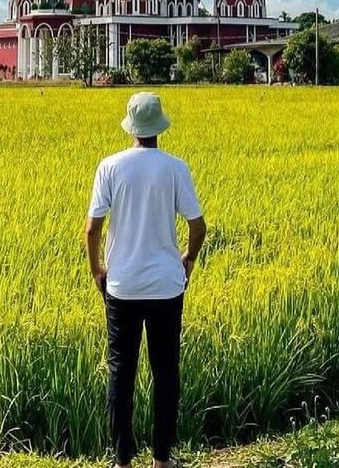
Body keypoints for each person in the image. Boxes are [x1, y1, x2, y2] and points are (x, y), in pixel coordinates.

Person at [86, 91, 207, 468]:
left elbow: (92, 229)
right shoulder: (175, 168)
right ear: (159, 128)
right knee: (165, 371)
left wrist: (97, 271)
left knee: (121, 371)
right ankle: (162, 460)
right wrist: (187, 260)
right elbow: (198, 226)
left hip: (121, 286)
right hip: (166, 287)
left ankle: (122, 460)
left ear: (131, 128)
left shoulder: (110, 166)